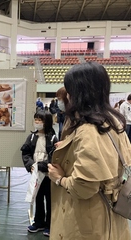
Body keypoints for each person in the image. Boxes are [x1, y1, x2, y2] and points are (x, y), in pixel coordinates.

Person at [48, 62, 131, 239]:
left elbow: (83, 187)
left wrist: (59, 179)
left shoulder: (89, 131)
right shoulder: (113, 122)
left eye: (69, 90)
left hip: (88, 219)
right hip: (110, 216)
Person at [21, 110, 58, 237]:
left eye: (40, 120)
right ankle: (38, 222)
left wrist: (42, 166)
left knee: (49, 199)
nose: (37, 122)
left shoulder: (53, 138)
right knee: (37, 197)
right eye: (36, 119)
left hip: (49, 176)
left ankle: (49, 224)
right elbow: (25, 153)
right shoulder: (31, 137)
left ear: (46, 122)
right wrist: (30, 165)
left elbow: (55, 156)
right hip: (36, 175)